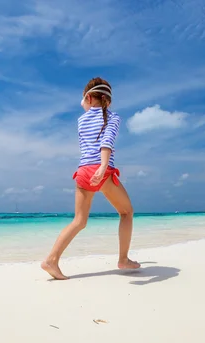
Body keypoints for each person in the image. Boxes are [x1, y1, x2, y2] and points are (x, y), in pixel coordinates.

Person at [41, 77, 141, 280]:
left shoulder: (81, 119)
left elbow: (86, 107)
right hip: (101, 171)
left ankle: (51, 260)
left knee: (79, 220)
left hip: (83, 171)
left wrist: (87, 98)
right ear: (108, 100)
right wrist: (104, 166)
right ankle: (123, 259)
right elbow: (107, 141)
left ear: (87, 97)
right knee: (126, 212)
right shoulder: (113, 118)